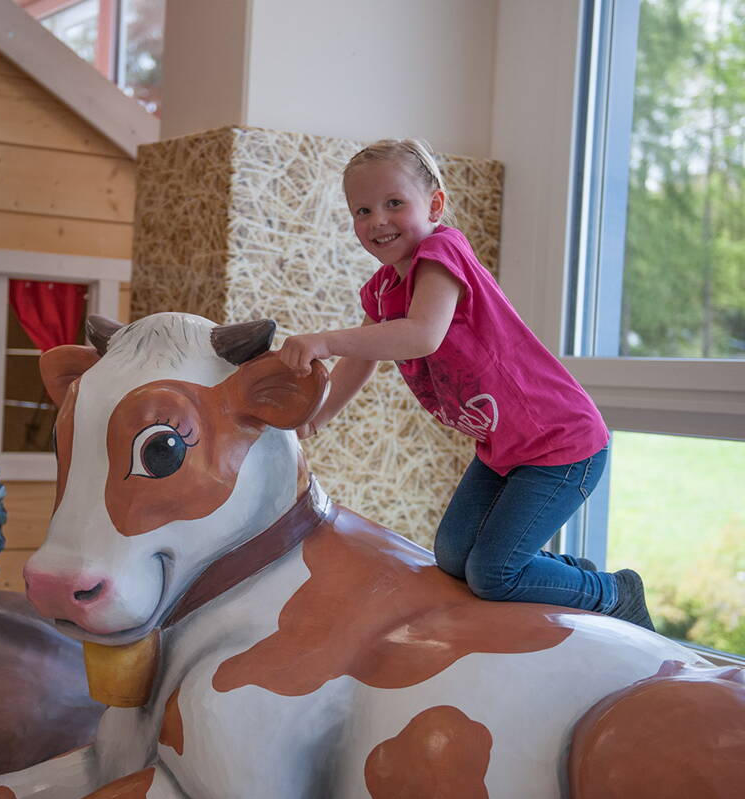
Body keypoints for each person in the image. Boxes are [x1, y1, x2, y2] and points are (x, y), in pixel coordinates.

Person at [277, 138, 653, 629]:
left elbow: (421, 335)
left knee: (493, 575)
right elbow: (364, 357)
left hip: (562, 445)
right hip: (504, 450)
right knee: (454, 559)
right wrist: (318, 416)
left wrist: (325, 341)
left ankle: (614, 591)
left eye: (395, 203)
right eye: (362, 210)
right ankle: (568, 576)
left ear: (434, 205)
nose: (377, 221)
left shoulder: (442, 250)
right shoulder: (381, 289)